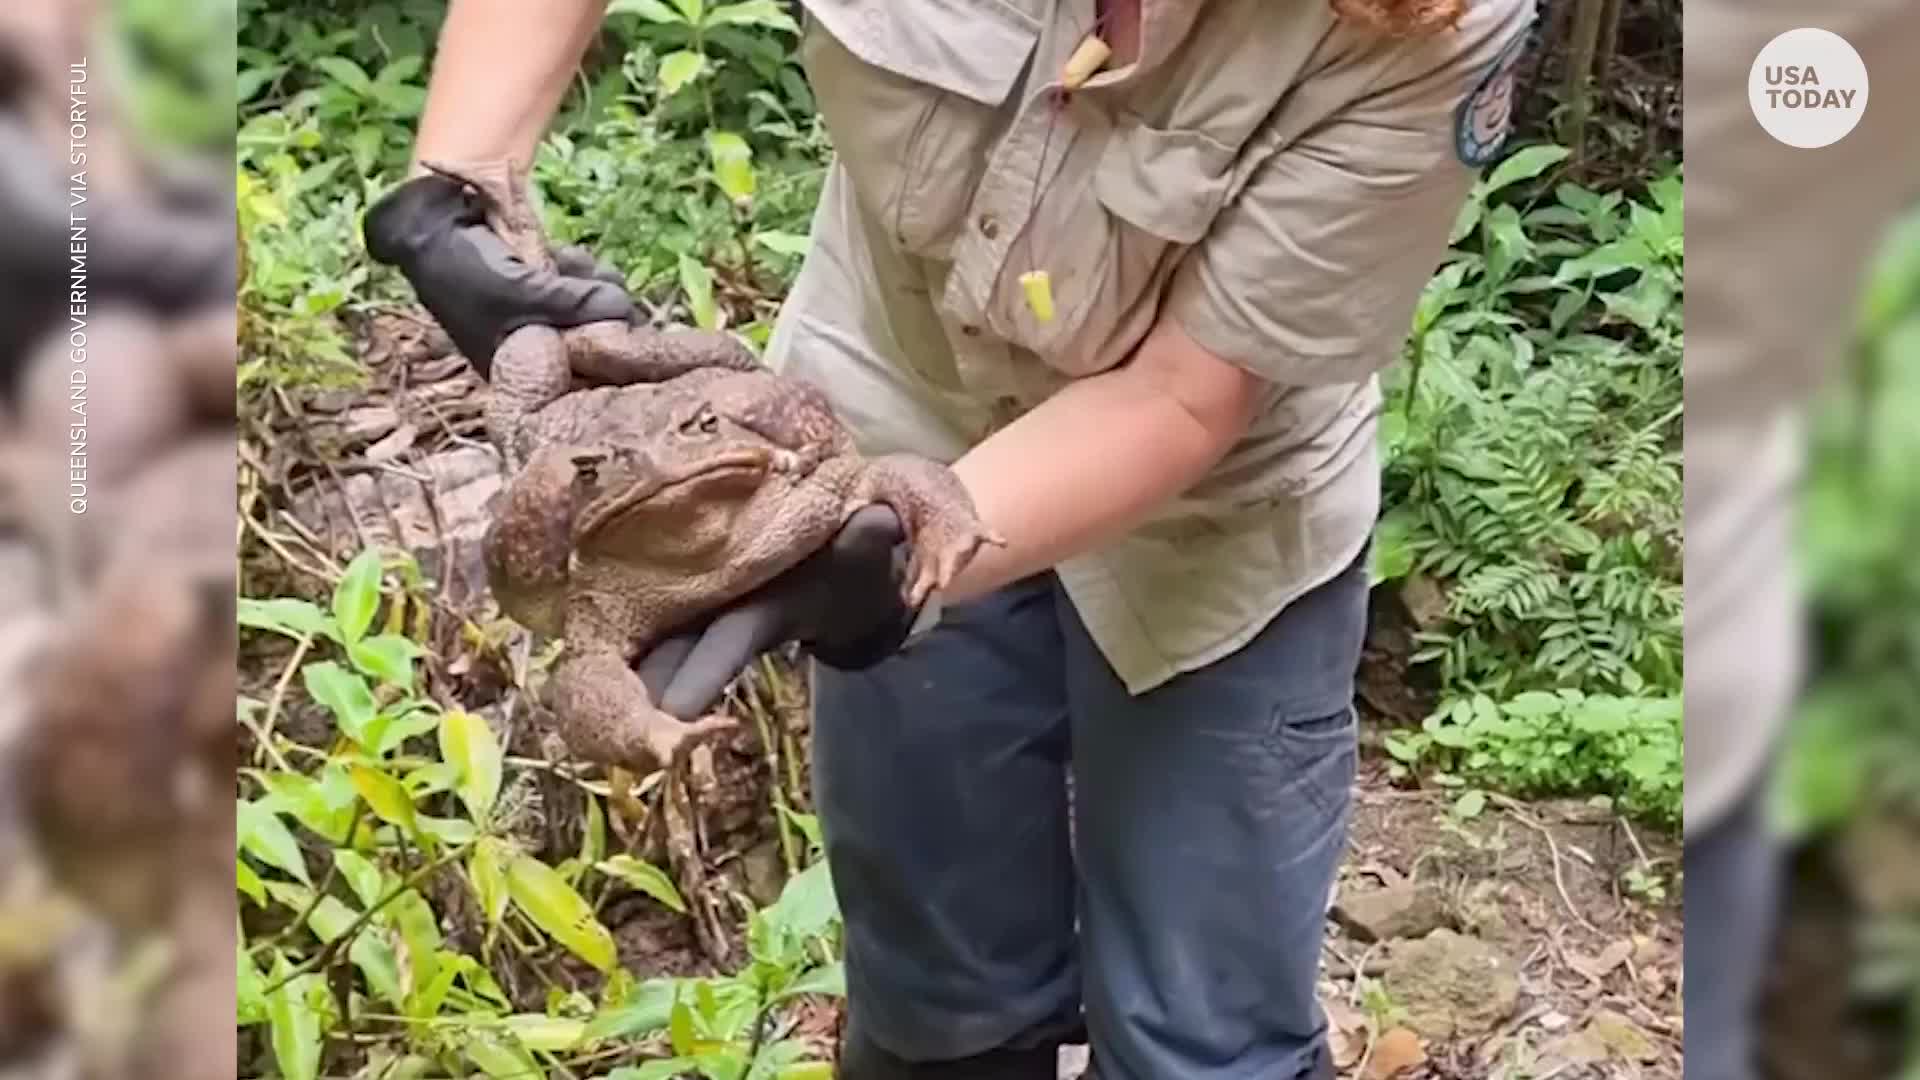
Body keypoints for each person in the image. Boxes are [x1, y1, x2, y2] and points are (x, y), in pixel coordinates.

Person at [366, 0, 1538, 1075]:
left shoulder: (1425, 22)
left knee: (1207, 1031)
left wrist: (887, 547)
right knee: (940, 1004)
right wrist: (459, 178)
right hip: (876, 412)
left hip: (1214, 507)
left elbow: (1185, 398)